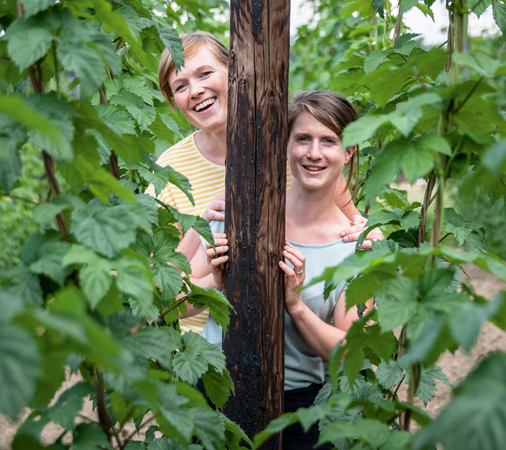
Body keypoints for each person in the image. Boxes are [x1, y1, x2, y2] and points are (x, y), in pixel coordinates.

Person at [152, 32, 380, 335]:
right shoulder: (169, 169)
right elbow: (162, 285)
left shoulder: (293, 149)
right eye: (180, 86)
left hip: (286, 346)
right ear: (173, 101)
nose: (195, 90)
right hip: (203, 350)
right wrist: (201, 222)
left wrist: (371, 233)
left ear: (235, 72)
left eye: (205, 73)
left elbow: (352, 223)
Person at [196, 91, 373, 450]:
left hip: (299, 414)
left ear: (349, 151)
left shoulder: (357, 249)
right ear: (285, 145)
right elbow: (177, 302)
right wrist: (216, 286)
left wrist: (296, 306)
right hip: (213, 395)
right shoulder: (239, 215)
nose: (313, 153)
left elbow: (353, 352)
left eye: (329, 141)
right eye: (303, 139)